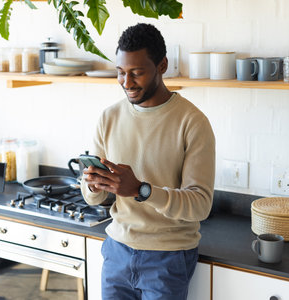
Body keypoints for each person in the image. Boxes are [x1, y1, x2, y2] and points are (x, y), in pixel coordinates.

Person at [81, 23, 215, 300]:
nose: (127, 83)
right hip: (117, 251)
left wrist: (141, 190)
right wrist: (94, 186)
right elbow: (92, 199)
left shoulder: (192, 122)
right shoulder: (109, 118)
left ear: (162, 65)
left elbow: (200, 204)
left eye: (137, 73)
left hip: (168, 257)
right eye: (121, 73)